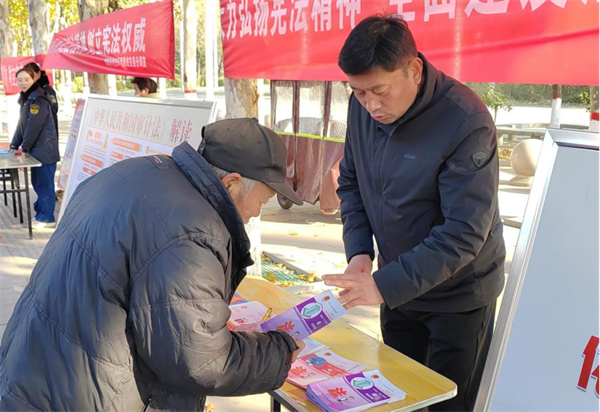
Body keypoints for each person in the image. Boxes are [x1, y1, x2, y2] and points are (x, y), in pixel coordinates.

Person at [0, 118, 305, 411]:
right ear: (231, 184)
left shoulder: (137, 171)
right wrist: (279, 353)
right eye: (262, 201)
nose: (256, 213)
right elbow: (200, 361)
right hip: (77, 395)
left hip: (33, 368)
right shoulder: (193, 230)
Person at [322, 16, 506, 412]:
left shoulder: (466, 121)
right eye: (358, 92)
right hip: (398, 287)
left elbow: (463, 234)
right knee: (397, 397)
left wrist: (384, 285)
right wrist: (359, 252)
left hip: (458, 297)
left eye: (380, 91)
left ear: (415, 70)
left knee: (446, 403)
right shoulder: (362, 109)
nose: (370, 104)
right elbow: (352, 183)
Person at [9, 67, 60, 229]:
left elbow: (34, 126)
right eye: (20, 80)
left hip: (45, 149)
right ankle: (41, 214)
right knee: (37, 182)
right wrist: (14, 144)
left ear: (34, 79)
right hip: (36, 150)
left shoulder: (38, 99)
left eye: (26, 79)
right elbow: (22, 125)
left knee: (44, 184)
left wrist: (24, 148)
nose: (23, 83)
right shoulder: (27, 98)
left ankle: (47, 218)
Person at [23, 62, 59, 136]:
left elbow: (53, 109)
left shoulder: (47, 91)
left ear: (38, 73)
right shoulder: (27, 91)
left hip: (46, 135)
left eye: (32, 74)